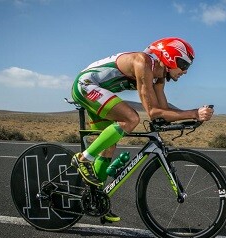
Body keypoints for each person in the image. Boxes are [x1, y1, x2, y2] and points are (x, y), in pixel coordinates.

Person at [70, 37, 214, 222]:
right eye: (183, 64)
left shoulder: (159, 77)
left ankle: (95, 200)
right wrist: (194, 113)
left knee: (109, 146)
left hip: (97, 91)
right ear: (169, 57)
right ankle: (83, 159)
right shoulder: (143, 62)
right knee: (131, 118)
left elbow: (163, 112)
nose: (185, 71)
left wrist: (191, 117)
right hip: (85, 85)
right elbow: (153, 112)